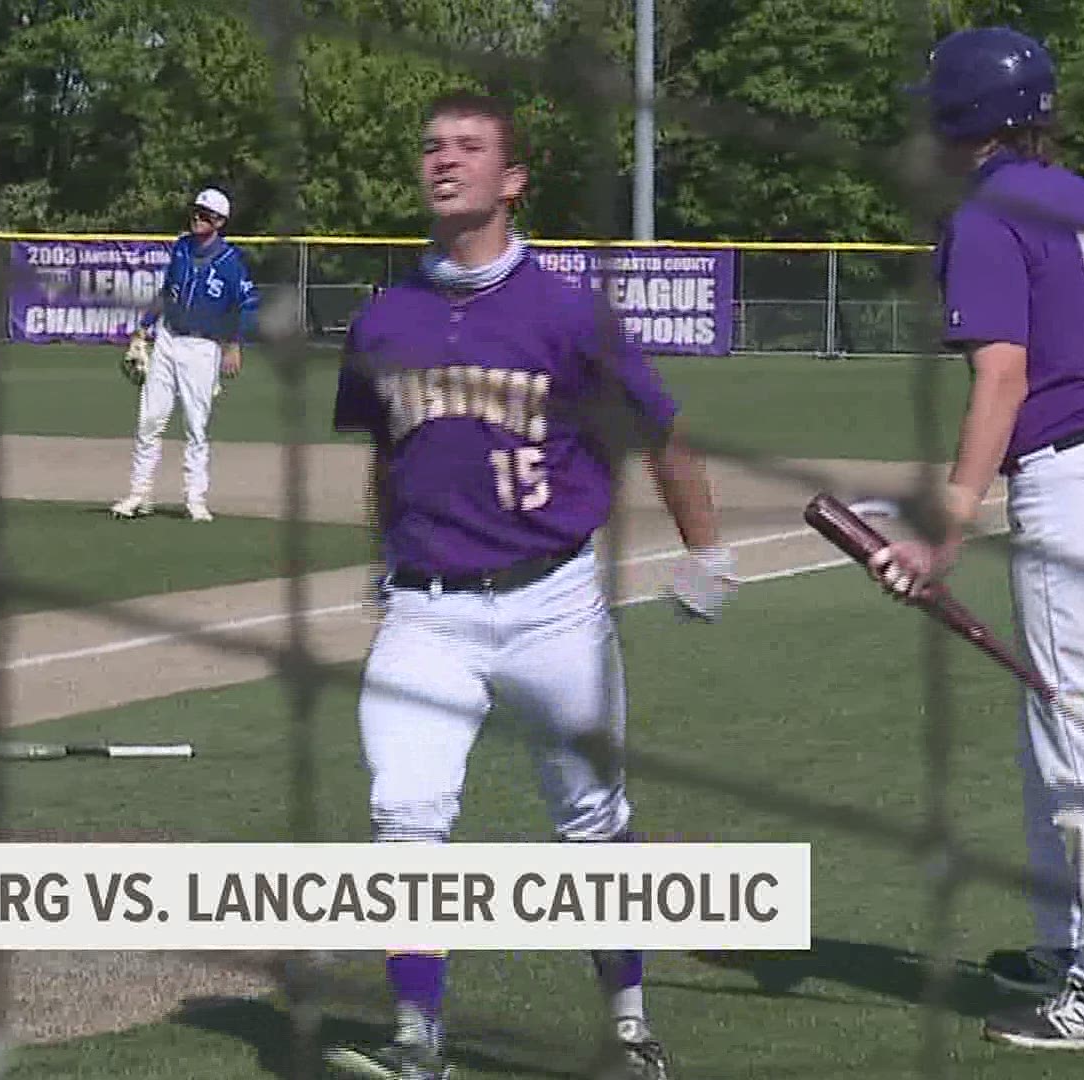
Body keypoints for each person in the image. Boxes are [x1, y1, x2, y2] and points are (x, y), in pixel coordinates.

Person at [320, 91, 736, 1080]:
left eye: (470, 147)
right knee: (406, 813)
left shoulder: (566, 312)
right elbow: (389, 453)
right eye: (431, 146)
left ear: (512, 180)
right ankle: (418, 1036)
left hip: (554, 604)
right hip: (428, 611)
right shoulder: (384, 317)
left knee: (591, 820)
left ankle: (630, 1024)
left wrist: (706, 546)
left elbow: (660, 431)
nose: (444, 160)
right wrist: (387, 560)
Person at [878, 26, 1084, 1052]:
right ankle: (1072, 948)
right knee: (1054, 731)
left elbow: (1004, 376)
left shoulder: (984, 214)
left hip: (1079, 482)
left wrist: (947, 524)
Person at [109, 187, 259, 523]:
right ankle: (139, 493)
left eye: (205, 215)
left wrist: (233, 344)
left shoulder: (230, 261)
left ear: (220, 221)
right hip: (168, 340)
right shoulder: (181, 248)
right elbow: (167, 294)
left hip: (203, 347)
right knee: (149, 420)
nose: (197, 218)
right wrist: (143, 327)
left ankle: (195, 497)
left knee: (195, 426)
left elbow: (246, 305)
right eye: (195, 212)